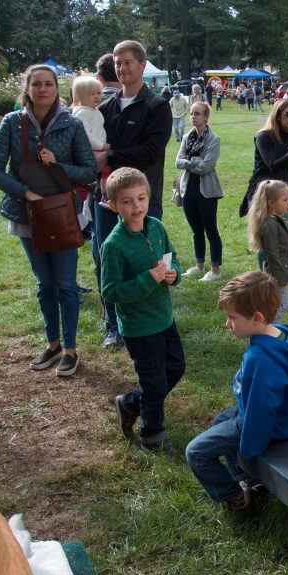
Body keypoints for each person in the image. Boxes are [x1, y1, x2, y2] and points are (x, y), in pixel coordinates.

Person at [0, 64, 97, 377]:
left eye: (48, 84)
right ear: (27, 88)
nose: (42, 89)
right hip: (26, 215)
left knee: (65, 284)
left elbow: (88, 171)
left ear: (56, 89)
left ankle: (71, 349)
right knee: (44, 284)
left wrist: (57, 163)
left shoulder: (71, 125)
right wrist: (26, 194)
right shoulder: (12, 123)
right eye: (36, 84)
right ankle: (52, 343)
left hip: (61, 214)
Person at [185, 271, 288, 510]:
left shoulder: (260, 359)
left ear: (256, 318)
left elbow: (259, 414)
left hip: (273, 425)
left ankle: (236, 496)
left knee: (195, 452)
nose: (227, 324)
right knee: (219, 420)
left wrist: (248, 451)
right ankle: (246, 479)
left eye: (232, 317)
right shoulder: (285, 332)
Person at [92, 40, 172, 350]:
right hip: (106, 199)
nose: (122, 67)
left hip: (143, 199)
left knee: (149, 259)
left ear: (142, 65)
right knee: (106, 259)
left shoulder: (156, 106)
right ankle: (114, 324)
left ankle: (153, 321)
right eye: (117, 62)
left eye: (127, 62)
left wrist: (110, 158)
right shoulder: (106, 108)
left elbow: (150, 152)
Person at [102, 168, 184, 453]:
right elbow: (110, 291)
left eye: (141, 198)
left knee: (176, 368)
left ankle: (130, 403)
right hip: (139, 328)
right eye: (127, 201)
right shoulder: (113, 246)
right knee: (154, 382)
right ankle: (153, 437)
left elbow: (172, 258)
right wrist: (146, 280)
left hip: (164, 317)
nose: (136, 206)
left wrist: (174, 273)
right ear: (114, 205)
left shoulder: (156, 227)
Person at [244, 97, 288, 297]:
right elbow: (273, 164)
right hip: (263, 194)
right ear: (277, 115)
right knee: (267, 242)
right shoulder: (264, 137)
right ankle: (267, 285)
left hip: (285, 193)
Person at [175, 101, 223, 283]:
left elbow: (206, 166)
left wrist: (189, 161)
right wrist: (194, 161)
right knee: (196, 231)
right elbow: (177, 162)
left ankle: (215, 269)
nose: (192, 116)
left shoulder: (213, 139)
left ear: (205, 117)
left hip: (207, 191)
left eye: (197, 113)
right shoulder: (188, 137)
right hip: (188, 189)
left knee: (211, 230)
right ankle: (199, 265)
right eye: (191, 113)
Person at [247, 180, 288, 322]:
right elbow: (272, 255)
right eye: (285, 200)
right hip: (276, 275)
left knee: (278, 305)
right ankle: (270, 331)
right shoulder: (270, 225)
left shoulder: (274, 220)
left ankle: (269, 330)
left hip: (279, 273)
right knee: (280, 306)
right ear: (270, 202)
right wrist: (281, 277)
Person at [70, 76, 110, 201]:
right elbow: (85, 134)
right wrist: (100, 146)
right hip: (90, 150)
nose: (97, 96)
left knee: (105, 170)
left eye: (98, 93)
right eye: (91, 94)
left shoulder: (91, 110)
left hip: (94, 150)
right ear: (81, 96)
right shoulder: (82, 112)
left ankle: (102, 193)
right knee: (103, 169)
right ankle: (104, 194)